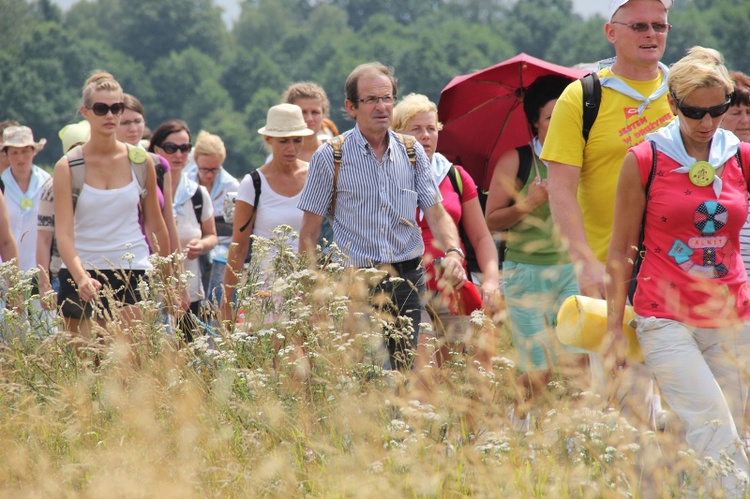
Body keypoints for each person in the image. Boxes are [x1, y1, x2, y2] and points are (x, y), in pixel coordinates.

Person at [606, 46, 749, 495]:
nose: (707, 123)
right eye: (694, 112)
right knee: (713, 424)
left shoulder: (741, 156)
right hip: (664, 316)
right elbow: (621, 249)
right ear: (672, 104)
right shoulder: (644, 159)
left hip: (731, 314)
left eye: (718, 110)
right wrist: (613, 329)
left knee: (718, 429)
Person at [540, 0, 674, 423]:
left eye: (659, 25)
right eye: (638, 25)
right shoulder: (583, 96)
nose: (651, 34)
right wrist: (584, 262)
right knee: (628, 402)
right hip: (616, 272)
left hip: (686, 267)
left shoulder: (683, 92)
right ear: (611, 32)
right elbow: (560, 189)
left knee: (694, 401)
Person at [297, 62, 467, 372]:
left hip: (408, 279)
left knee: (404, 375)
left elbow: (436, 212)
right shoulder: (330, 156)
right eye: (371, 100)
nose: (381, 106)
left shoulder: (412, 151)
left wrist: (454, 252)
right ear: (351, 107)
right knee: (370, 374)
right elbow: (308, 233)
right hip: (356, 281)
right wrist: (312, 293)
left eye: (387, 98)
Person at [485, 75, 588, 432]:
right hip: (524, 273)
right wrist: (528, 204)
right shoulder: (516, 161)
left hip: (571, 272)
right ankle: (518, 429)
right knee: (537, 367)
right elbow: (491, 221)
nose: (558, 125)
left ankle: (572, 437)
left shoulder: (582, 159)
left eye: (566, 117)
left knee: (577, 361)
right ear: (534, 121)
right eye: (550, 118)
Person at [53, 71, 171, 348]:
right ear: (85, 112)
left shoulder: (140, 161)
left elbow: (155, 224)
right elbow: (64, 235)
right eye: (101, 108)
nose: (110, 115)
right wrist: (82, 278)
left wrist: (170, 279)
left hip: (132, 268)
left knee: (128, 364)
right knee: (86, 368)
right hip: (81, 271)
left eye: (116, 108)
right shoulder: (67, 166)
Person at [391, 93, 501, 377]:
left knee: (473, 377)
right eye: (416, 129)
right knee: (425, 374)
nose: (426, 136)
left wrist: (490, 281)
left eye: (431, 128)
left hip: (454, 288)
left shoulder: (454, 176)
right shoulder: (383, 177)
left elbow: (482, 238)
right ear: (397, 134)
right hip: (407, 290)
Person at [220, 104, 313, 321]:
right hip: (265, 291)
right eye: (284, 141)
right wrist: (226, 305)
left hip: (307, 288)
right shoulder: (253, 184)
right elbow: (238, 247)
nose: (291, 148)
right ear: (268, 140)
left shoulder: (315, 176)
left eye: (297, 140)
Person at [149, 120, 217, 343]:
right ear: (157, 150)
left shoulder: (197, 194)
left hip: (190, 289)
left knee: (187, 355)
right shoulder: (145, 191)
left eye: (184, 148)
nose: (178, 154)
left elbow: (212, 235)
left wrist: (202, 245)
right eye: (171, 148)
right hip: (149, 291)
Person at [723, 71, 750, 453]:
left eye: (749, 110)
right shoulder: (715, 160)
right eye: (735, 110)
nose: (744, 118)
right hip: (729, 275)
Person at [118, 94, 181, 257]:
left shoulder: (158, 165)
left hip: (151, 261)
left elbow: (169, 223)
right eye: (125, 123)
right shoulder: (99, 165)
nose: (133, 128)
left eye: (138, 121)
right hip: (114, 259)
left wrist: (177, 271)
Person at [37, 120, 90, 311]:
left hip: (102, 267)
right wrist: (44, 285)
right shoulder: (52, 187)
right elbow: (44, 237)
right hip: (63, 272)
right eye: (74, 149)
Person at [184, 130, 239, 305]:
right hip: (192, 245)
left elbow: (233, 224)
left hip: (222, 245)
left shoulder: (231, 187)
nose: (209, 175)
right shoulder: (186, 184)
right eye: (204, 169)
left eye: (214, 170)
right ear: (195, 162)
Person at [2, 125, 51, 274]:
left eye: (25, 151)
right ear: (6, 155)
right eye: (14, 152)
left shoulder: (48, 183)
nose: (20, 158)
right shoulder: (2, 185)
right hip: (6, 270)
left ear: (33, 151)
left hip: (40, 268)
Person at [282, 82, 333, 162]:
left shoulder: (335, 152)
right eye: (303, 112)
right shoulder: (280, 157)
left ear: (323, 115)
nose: (309, 119)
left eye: (315, 112)